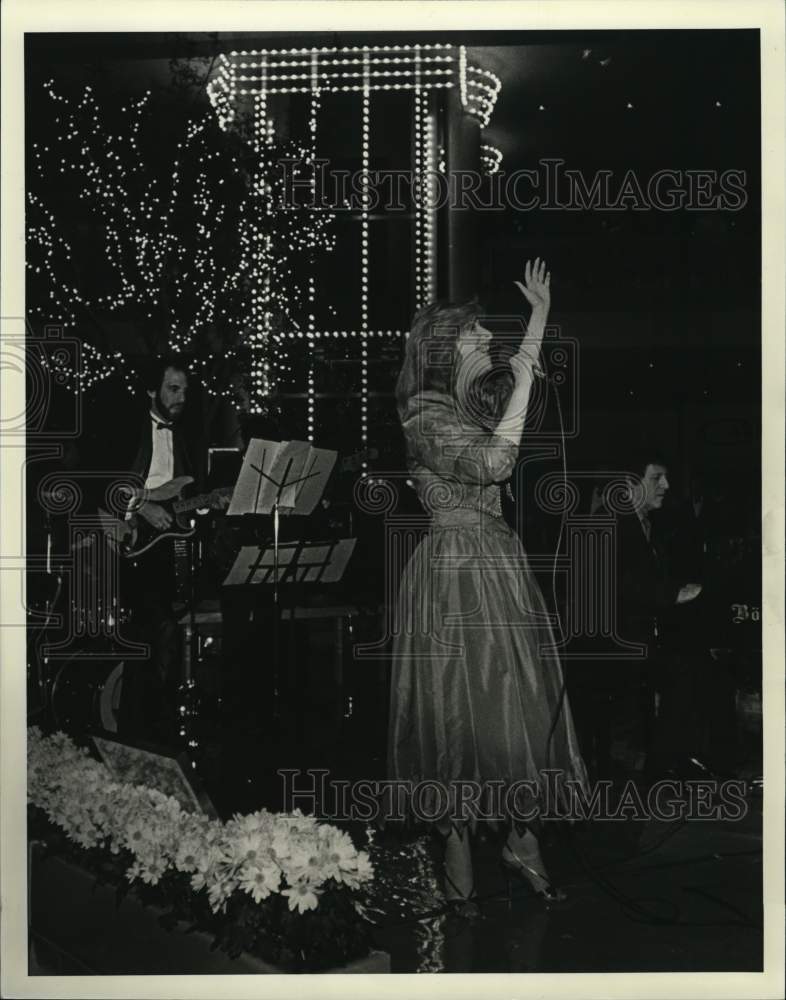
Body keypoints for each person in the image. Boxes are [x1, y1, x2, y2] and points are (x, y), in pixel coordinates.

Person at [388, 260, 588, 916]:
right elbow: (498, 461)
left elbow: (512, 408)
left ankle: (522, 842)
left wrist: (538, 317)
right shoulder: (424, 412)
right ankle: (457, 855)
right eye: (476, 332)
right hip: (452, 572)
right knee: (454, 718)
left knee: (519, 710)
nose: (486, 340)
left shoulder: (468, 404)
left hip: (497, 562)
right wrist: (524, 379)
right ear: (448, 346)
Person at [585, 450, 702, 781]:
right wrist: (671, 595)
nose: (666, 485)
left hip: (638, 641)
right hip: (612, 650)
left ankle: (659, 765)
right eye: (656, 478)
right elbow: (611, 584)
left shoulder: (646, 524)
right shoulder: (606, 523)